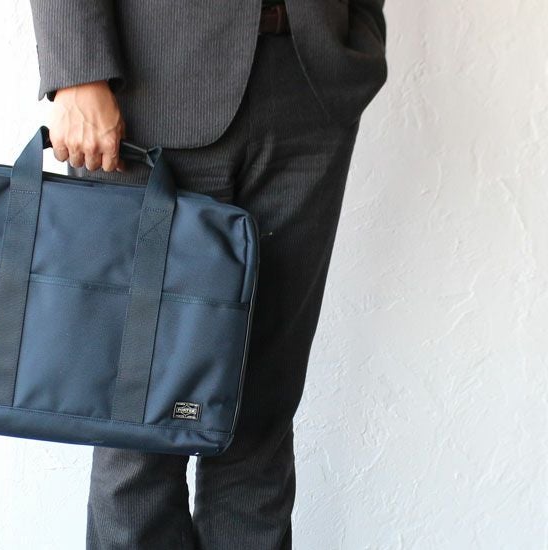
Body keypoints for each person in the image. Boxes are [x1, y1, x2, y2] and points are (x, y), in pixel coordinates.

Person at [27, 1, 388, 548]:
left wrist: (358, 33)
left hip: (308, 85)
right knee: (138, 423)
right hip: (144, 94)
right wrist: (78, 72)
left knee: (258, 420)